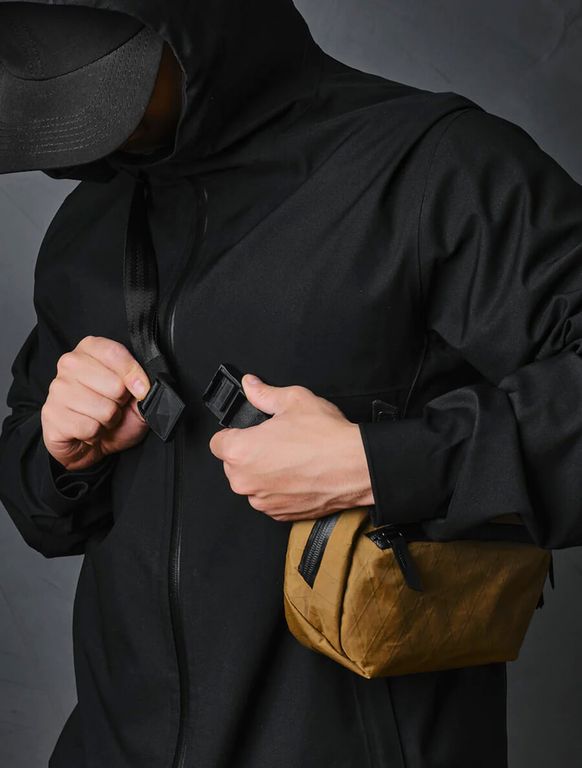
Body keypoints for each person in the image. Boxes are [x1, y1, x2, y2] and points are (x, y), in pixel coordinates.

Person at [0, 1, 581, 767]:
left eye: (97, 73)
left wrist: (381, 464)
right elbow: (43, 519)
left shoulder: (435, 168)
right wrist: (58, 456)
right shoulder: (87, 228)